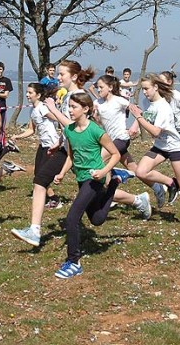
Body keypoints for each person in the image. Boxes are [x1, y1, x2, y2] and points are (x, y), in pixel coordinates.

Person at [10, 60, 95, 247]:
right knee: (40, 181)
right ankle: (34, 230)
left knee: (98, 196)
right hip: (67, 149)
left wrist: (53, 109)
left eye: (61, 74)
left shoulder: (79, 96)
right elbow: (69, 130)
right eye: (57, 74)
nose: (58, 77)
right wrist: (59, 143)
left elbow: (74, 125)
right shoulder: (68, 95)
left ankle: (135, 198)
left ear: (73, 76)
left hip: (82, 152)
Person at [53, 92, 123, 279]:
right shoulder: (68, 130)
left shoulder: (96, 131)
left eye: (74, 107)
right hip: (81, 178)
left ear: (86, 109)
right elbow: (71, 156)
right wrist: (61, 173)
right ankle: (116, 182)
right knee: (97, 219)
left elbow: (115, 154)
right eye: (69, 107)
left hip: (95, 178)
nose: (70, 110)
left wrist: (104, 171)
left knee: (72, 218)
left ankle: (74, 262)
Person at [129, 74, 180, 226]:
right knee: (140, 172)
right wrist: (135, 124)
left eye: (147, 89)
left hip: (174, 147)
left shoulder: (164, 107)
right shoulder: (146, 103)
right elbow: (145, 117)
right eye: (143, 90)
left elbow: (155, 132)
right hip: (160, 146)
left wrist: (139, 118)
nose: (145, 93)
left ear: (156, 87)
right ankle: (170, 183)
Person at [93, 73, 164, 212]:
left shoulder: (119, 100)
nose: (98, 90)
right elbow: (101, 123)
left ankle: (111, 189)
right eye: (97, 88)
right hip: (110, 140)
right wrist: (96, 118)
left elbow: (138, 111)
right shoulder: (97, 103)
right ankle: (157, 187)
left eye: (101, 87)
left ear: (110, 87)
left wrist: (134, 126)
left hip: (121, 139)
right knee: (136, 170)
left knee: (98, 161)